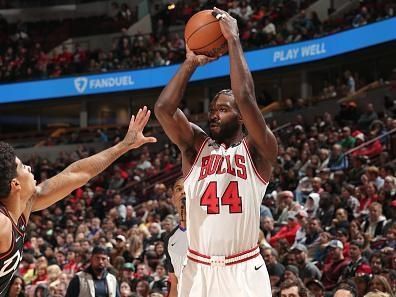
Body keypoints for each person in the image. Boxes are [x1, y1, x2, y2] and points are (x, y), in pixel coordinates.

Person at [154, 7, 277, 297]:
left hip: (244, 267)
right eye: (212, 110)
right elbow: (163, 110)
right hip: (198, 269)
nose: (213, 115)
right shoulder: (196, 146)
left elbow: (245, 97)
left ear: (242, 117)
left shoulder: (259, 150)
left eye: (222, 109)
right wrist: (189, 63)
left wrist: (233, 40)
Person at [0, 107, 156, 295]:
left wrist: (124, 145)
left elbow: (78, 173)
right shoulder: (2, 223)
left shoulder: (26, 205)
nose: (30, 168)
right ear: (15, 184)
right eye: (23, 167)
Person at [164, 177, 188, 297]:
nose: (183, 191)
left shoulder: (210, 229)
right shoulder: (169, 239)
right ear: (173, 199)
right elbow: (174, 282)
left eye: (188, 187)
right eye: (179, 189)